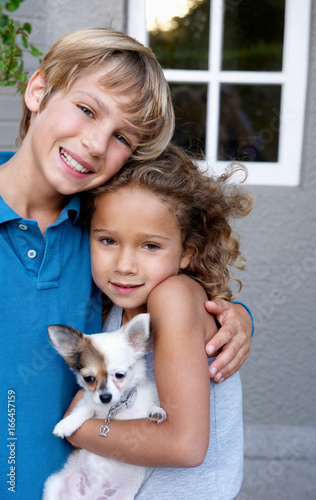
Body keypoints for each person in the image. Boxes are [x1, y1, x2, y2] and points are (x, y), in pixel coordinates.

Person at [0, 27, 252, 499]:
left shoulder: (98, 234)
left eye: (121, 137)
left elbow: (169, 298)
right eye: (87, 109)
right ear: (38, 90)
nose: (96, 143)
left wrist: (232, 318)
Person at [63, 143, 253, 499]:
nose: (124, 265)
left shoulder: (174, 297)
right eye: (108, 240)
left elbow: (184, 446)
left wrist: (80, 430)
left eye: (150, 246)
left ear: (186, 253)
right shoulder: (116, 311)